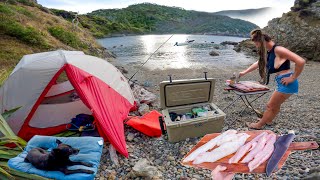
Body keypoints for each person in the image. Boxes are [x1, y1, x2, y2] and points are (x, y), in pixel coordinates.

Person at [239, 29, 305, 129]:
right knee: (276, 105)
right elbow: (258, 63)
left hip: (287, 83)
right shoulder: (270, 51)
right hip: (281, 82)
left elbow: (300, 61)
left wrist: (292, 77)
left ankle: (259, 125)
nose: (257, 46)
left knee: (270, 105)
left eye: (257, 44)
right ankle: (268, 120)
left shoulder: (278, 49)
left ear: (262, 41)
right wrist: (244, 72)